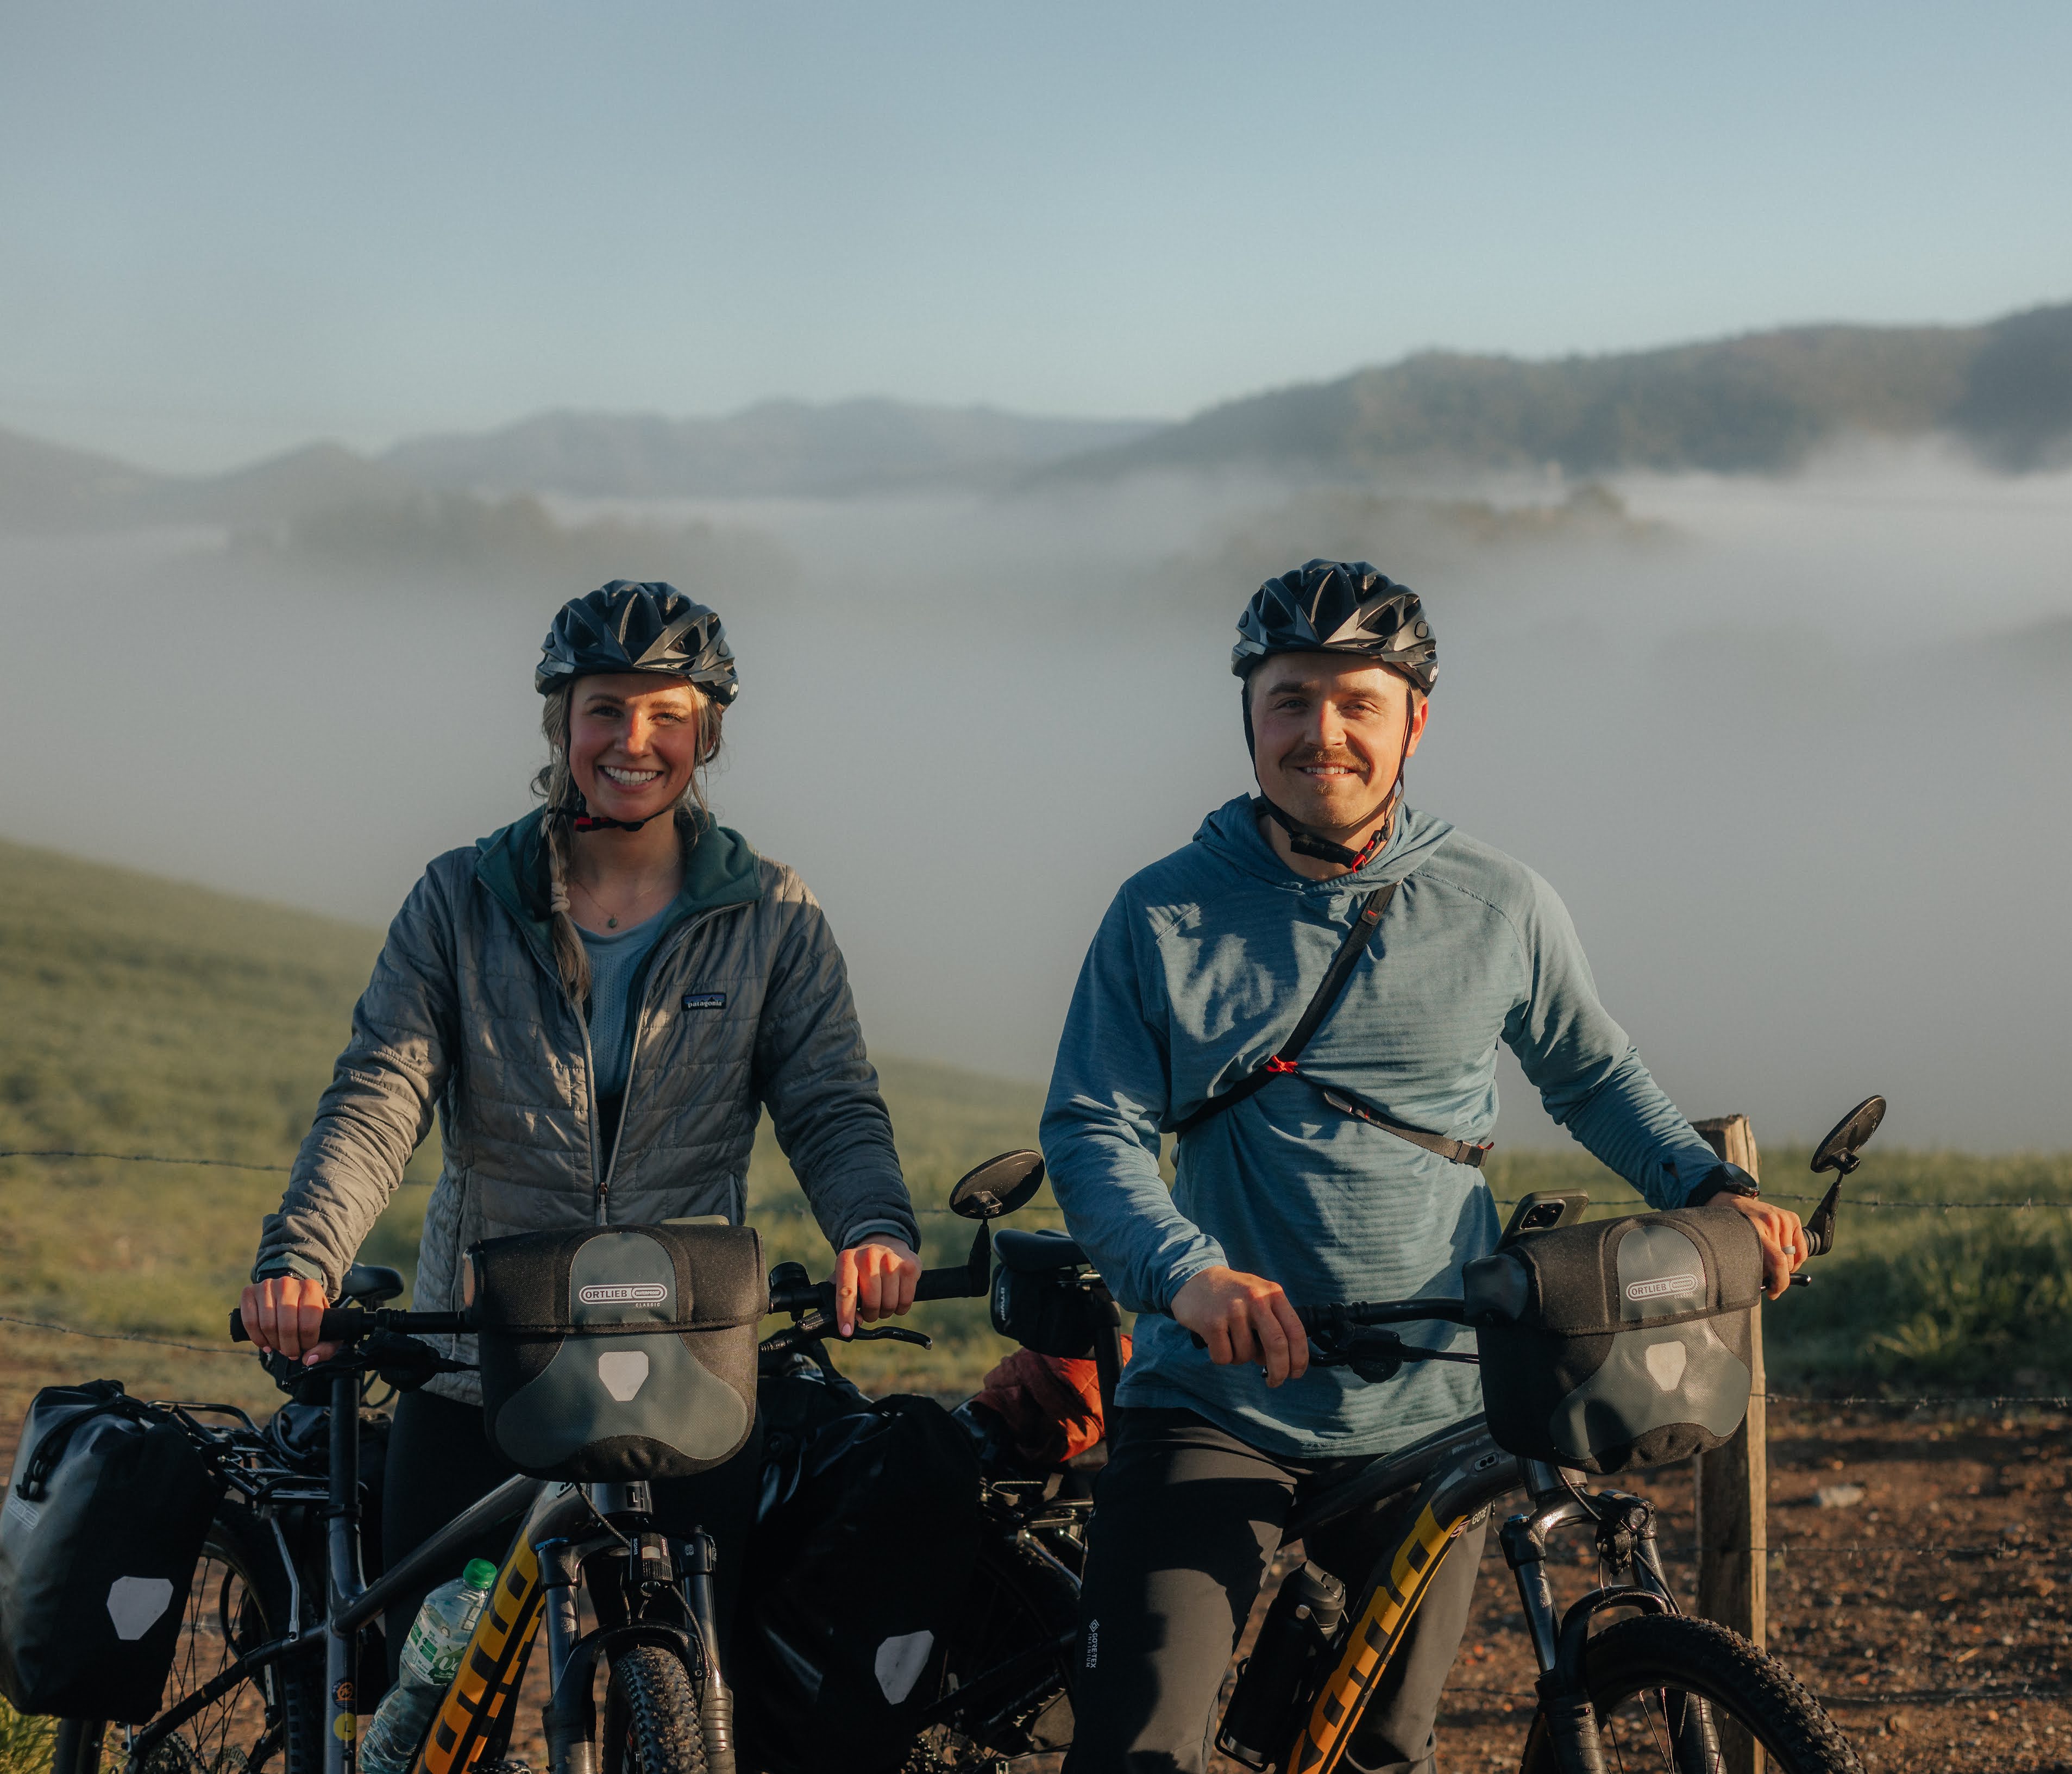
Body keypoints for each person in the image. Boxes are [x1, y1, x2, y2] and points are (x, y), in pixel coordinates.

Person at [1043, 560, 1815, 1774]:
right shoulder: (1161, 914)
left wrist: (1704, 1188)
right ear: (1249, 714)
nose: (1323, 733)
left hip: (1437, 1405)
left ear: (1416, 717)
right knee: (1141, 1748)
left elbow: (1592, 1073)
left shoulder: (1496, 901)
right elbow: (1092, 1129)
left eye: (1359, 700)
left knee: (1383, 1752)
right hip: (1215, 1396)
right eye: (1291, 699)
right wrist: (1187, 1275)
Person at [239, 579, 920, 1670]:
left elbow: (830, 1100)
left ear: (707, 735)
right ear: (560, 723)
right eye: (606, 708)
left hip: (687, 1364)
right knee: (425, 1680)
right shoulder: (461, 897)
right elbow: (381, 1096)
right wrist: (304, 1257)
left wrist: (874, 1226)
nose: (633, 740)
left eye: (668, 714)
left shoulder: (770, 914)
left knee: (690, 1688)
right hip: (479, 1366)